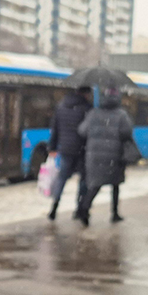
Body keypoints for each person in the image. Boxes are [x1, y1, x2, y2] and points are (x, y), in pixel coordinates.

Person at [74, 87, 134, 226]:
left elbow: (82, 131)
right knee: (115, 184)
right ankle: (114, 213)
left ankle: (84, 209)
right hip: (115, 156)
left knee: (94, 185)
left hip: (94, 156)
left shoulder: (93, 113)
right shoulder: (121, 114)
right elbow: (127, 132)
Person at [47, 86, 93, 220]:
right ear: (85, 94)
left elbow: (55, 128)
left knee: (62, 178)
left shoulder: (61, 106)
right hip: (82, 150)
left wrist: (52, 147)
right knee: (83, 181)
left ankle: (54, 208)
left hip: (65, 149)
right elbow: (88, 130)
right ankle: (79, 209)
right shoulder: (87, 108)